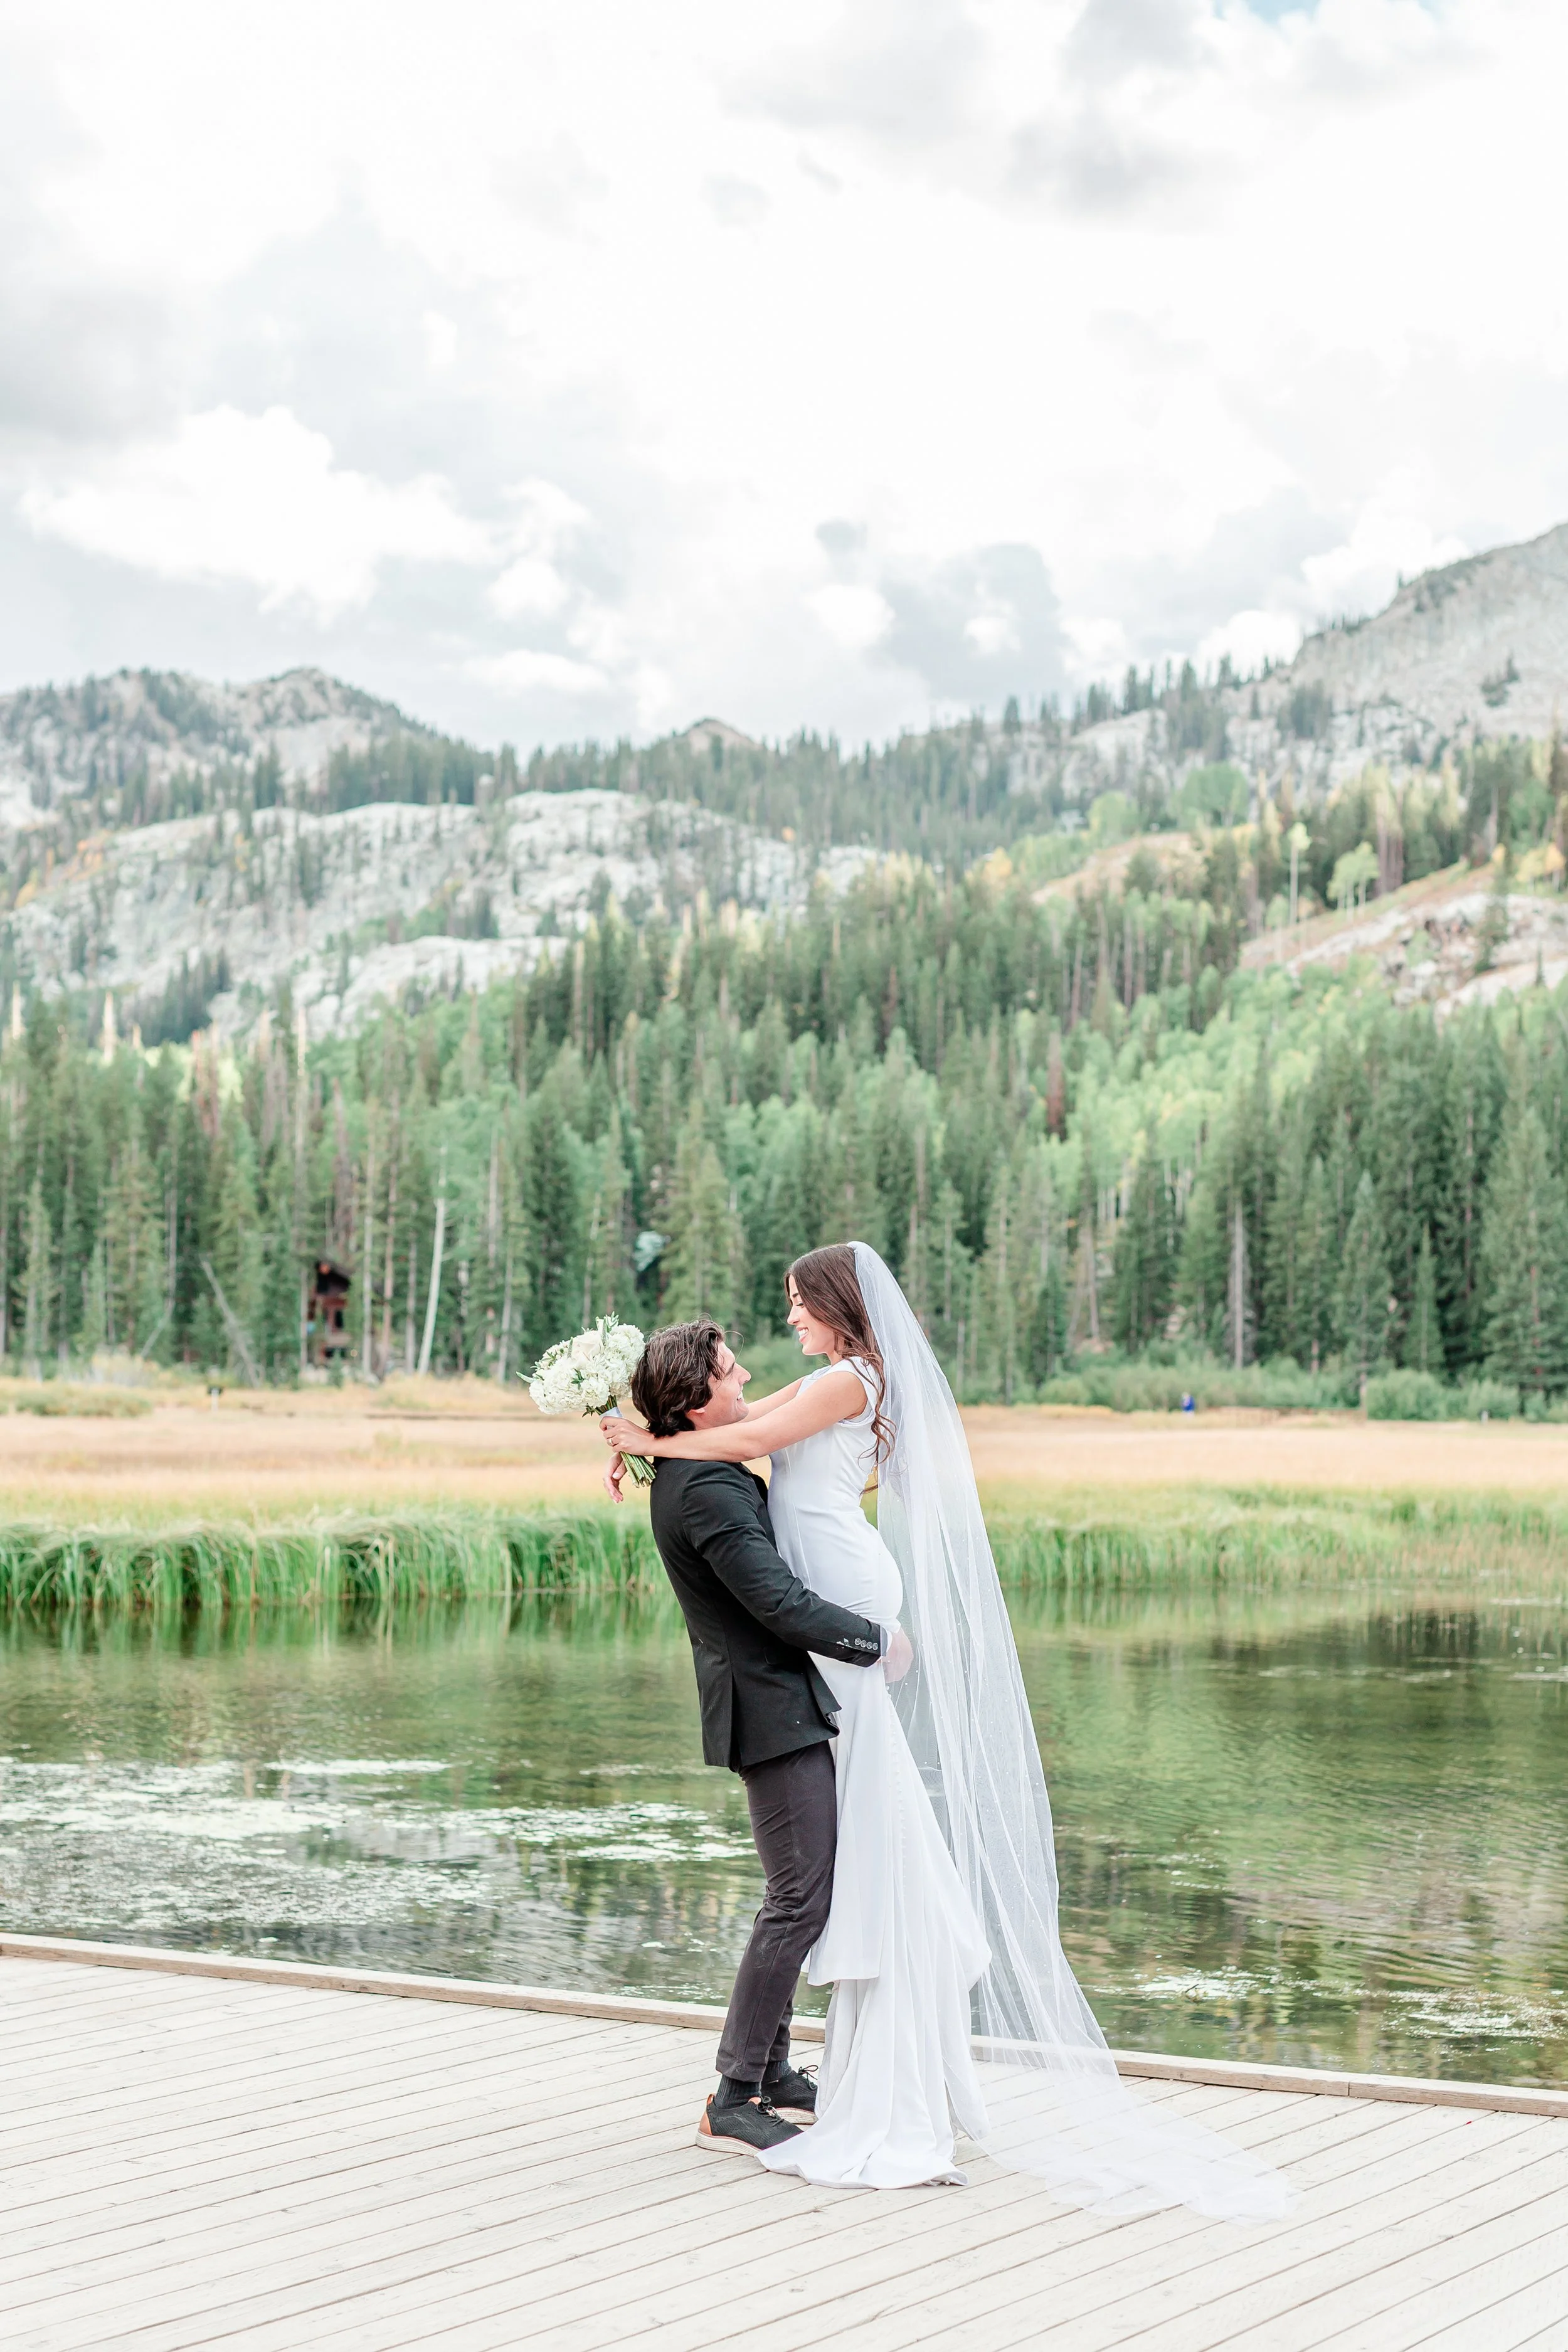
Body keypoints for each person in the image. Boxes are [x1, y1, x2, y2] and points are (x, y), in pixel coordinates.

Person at [604, 1244, 1293, 2217]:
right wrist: (647, 1435)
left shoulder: (847, 1381)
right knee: (813, 1882)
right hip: (824, 1653)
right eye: (749, 1343)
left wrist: (644, 1441)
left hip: (836, 1641)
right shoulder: (822, 1390)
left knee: (819, 1878)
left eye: (799, 1302)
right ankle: (747, 2082)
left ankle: (763, 2074)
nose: (781, 1325)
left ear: (839, 1306)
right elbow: (742, 1436)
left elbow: (732, 1437)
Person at [617, 1316, 912, 2158]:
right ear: (697, 1400)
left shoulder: (702, 1466)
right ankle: (735, 2092)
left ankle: (776, 2070)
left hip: (781, 1700)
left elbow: (782, 1405)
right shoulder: (705, 1491)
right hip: (768, 1709)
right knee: (796, 1898)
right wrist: (872, 1639)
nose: (744, 1373)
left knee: (800, 1893)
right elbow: (776, 1601)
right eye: (728, 1368)